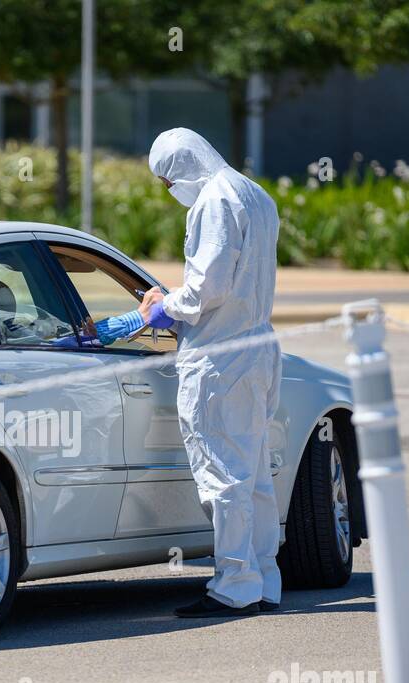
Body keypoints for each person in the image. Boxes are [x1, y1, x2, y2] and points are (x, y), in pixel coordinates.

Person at [139, 128, 284, 619]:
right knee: (254, 473)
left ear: (181, 165)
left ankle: (234, 586)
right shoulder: (254, 194)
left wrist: (164, 307)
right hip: (257, 348)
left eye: (166, 180)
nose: (169, 190)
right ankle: (263, 578)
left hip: (220, 358)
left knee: (222, 473)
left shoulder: (214, 202)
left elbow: (207, 289)